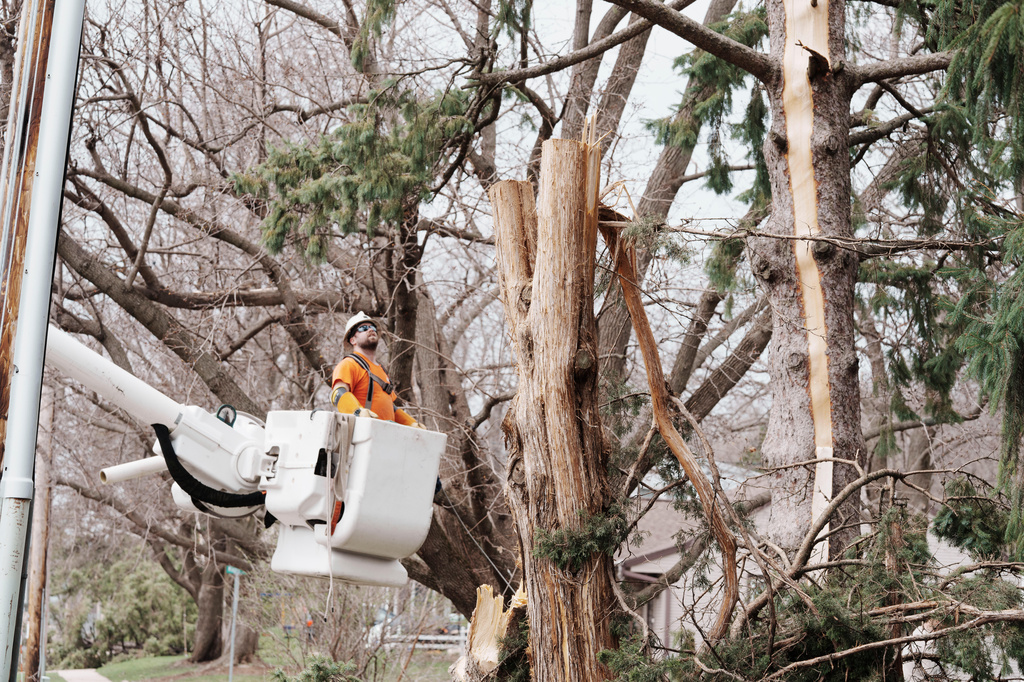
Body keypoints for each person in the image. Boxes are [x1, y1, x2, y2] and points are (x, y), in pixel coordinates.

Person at [330, 312, 423, 428]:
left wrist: (410, 423)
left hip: (386, 434)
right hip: (363, 434)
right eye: (363, 328)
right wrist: (357, 411)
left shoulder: (382, 370)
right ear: (353, 340)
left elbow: (391, 407)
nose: (370, 330)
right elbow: (338, 394)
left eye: (372, 327)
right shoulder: (349, 364)